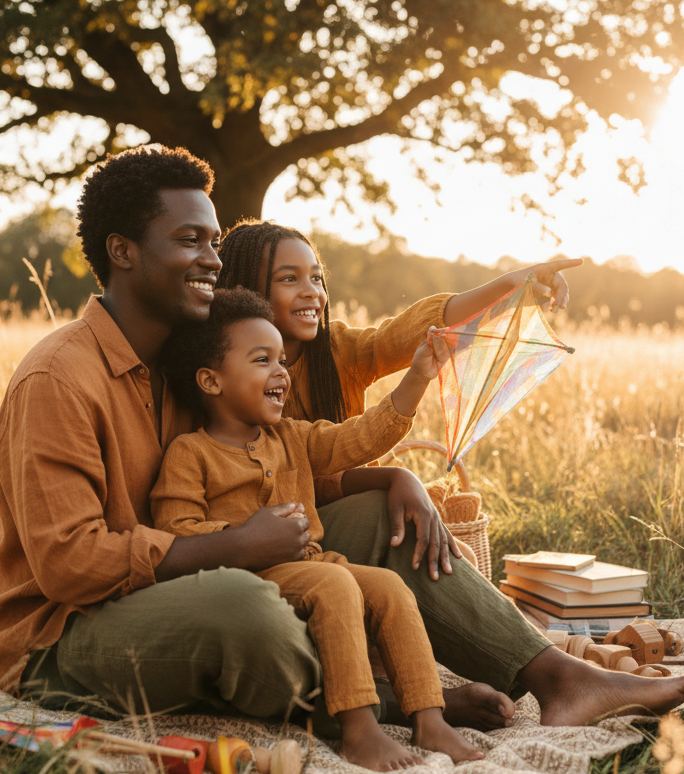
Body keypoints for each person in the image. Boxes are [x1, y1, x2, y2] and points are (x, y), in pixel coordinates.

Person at [0, 144, 684, 744]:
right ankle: (387, 703)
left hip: (187, 574)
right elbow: (69, 565)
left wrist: (388, 480)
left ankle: (560, 679)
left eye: (215, 242)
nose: (212, 259)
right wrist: (233, 547)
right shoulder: (58, 379)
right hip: (63, 634)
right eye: (189, 241)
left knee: (381, 524)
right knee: (243, 607)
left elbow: (280, 465)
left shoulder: (190, 365)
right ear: (122, 251)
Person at [151, 288, 501, 769]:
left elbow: (359, 437)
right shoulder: (189, 453)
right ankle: (360, 730)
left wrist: (418, 377)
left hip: (314, 566)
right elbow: (176, 529)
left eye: (281, 360)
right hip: (247, 579)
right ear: (212, 380)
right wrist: (244, 536)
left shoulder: (292, 436)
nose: (281, 371)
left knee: (389, 587)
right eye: (262, 360)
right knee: (335, 584)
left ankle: (429, 717)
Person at [215, 220, 585, 581]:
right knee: (406, 530)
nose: (312, 292)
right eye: (289, 279)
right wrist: (393, 476)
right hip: (294, 534)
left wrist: (511, 284)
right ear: (246, 291)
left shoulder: (337, 350)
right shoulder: (231, 377)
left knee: (463, 557)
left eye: (316, 278)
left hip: (358, 512)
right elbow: (311, 479)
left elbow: (414, 330)